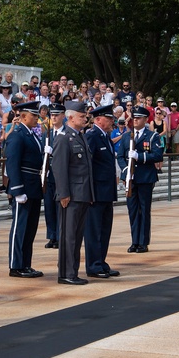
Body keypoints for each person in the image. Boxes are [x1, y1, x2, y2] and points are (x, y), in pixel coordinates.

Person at [49, 100, 93, 285]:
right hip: (71, 195)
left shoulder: (79, 136)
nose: (85, 119)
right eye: (82, 117)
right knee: (68, 236)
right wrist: (63, 193)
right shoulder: (63, 138)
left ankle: (72, 271)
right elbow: (59, 169)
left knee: (76, 235)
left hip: (82, 193)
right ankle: (66, 273)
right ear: (70, 118)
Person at [4, 100, 45, 278]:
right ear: (23, 116)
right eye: (33, 115)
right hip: (24, 186)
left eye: (36, 115)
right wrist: (17, 189)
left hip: (34, 185)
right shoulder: (17, 135)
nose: (36, 118)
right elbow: (12, 163)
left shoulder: (32, 135)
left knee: (30, 229)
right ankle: (16, 265)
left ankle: (25, 264)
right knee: (20, 228)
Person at [85, 104, 119, 279]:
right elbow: (87, 166)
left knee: (105, 229)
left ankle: (101, 261)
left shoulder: (105, 136)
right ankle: (93, 265)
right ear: (98, 119)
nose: (112, 121)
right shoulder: (92, 136)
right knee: (94, 230)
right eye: (109, 118)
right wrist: (89, 192)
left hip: (106, 191)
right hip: (96, 192)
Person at [124, 105, 164, 252]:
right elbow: (121, 156)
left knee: (144, 210)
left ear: (146, 120)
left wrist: (139, 157)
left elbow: (158, 155)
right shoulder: (127, 136)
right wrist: (125, 171)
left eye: (138, 118)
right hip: (131, 178)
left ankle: (143, 242)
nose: (135, 120)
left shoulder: (152, 136)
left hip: (146, 178)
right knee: (132, 210)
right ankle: (134, 241)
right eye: (134, 118)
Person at [42, 103, 65, 249]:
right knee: (49, 207)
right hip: (48, 175)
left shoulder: (67, 134)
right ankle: (52, 236)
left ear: (63, 116)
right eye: (52, 115)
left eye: (57, 115)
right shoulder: (46, 134)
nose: (54, 117)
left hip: (61, 176)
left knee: (60, 208)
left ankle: (60, 235)